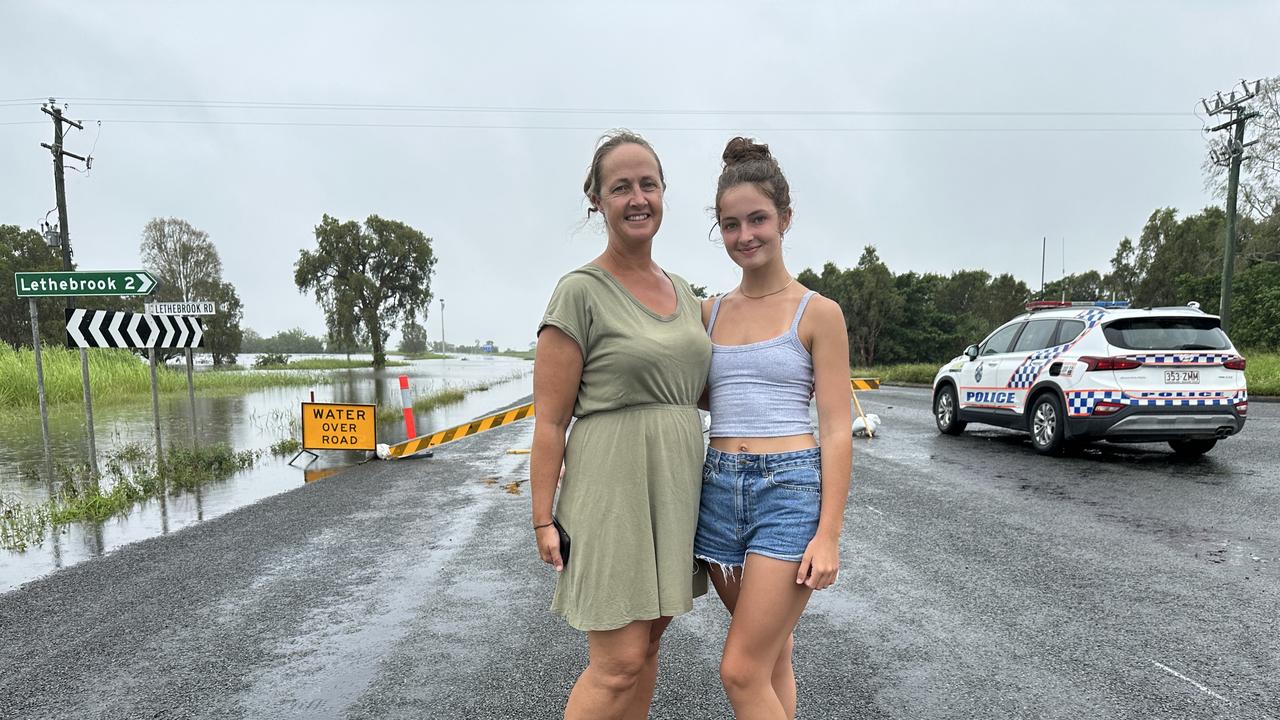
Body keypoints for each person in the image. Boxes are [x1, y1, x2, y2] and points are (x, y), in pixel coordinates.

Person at [531, 130, 712, 720]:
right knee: (618, 663)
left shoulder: (686, 294)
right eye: (621, 187)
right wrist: (542, 518)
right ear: (597, 200)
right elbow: (551, 421)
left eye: (648, 184)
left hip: (676, 488)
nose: (638, 198)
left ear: (663, 193)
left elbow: (708, 387)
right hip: (612, 491)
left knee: (651, 645)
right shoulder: (579, 293)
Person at [695, 137, 853, 720]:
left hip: (787, 493)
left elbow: (838, 428)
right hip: (716, 492)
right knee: (770, 659)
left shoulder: (818, 313)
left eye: (758, 219)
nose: (746, 236)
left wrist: (829, 534)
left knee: (739, 671)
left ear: (785, 218)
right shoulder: (707, 312)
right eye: (730, 224)